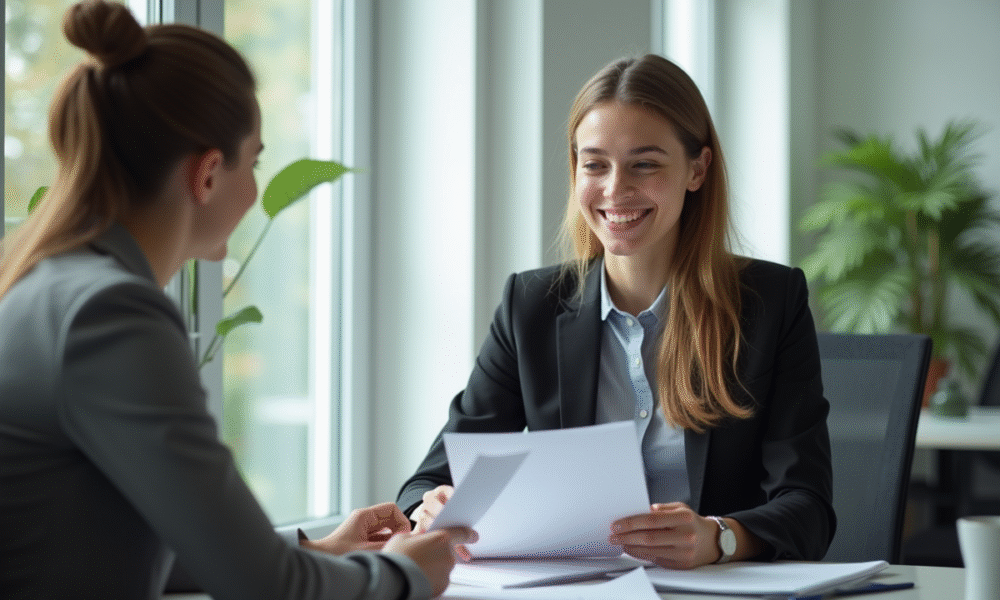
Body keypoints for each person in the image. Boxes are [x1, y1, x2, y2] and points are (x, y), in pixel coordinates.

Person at [0, 2, 473, 599]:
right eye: (254, 161)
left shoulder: (51, 287)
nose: (253, 189)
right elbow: (262, 588)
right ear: (207, 174)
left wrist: (315, 551)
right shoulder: (111, 314)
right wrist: (407, 575)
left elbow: (105, 543)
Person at [397, 54, 836, 569]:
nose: (614, 189)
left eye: (645, 164)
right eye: (595, 164)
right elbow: (428, 480)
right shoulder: (531, 307)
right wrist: (431, 507)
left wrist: (719, 537)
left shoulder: (769, 303)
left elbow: (808, 508)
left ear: (697, 169)